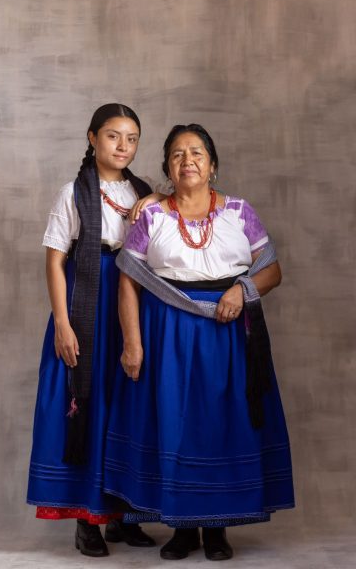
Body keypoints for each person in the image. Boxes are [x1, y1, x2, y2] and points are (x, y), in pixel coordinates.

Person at [103, 124, 295, 561]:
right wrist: (132, 343)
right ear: (167, 168)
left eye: (196, 153)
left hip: (228, 337)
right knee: (176, 426)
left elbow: (272, 270)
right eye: (177, 154)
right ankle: (183, 529)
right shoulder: (151, 216)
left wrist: (242, 290)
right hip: (167, 334)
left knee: (221, 427)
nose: (187, 160)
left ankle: (218, 529)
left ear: (212, 164)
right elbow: (128, 281)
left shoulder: (240, 212)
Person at [27, 103, 163, 557]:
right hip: (86, 302)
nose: (123, 146)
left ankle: (123, 517)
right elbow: (54, 262)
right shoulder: (73, 192)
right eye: (113, 136)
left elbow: (172, 219)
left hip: (132, 301)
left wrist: (155, 201)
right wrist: (63, 324)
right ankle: (87, 519)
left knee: (128, 403)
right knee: (90, 401)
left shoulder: (143, 190)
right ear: (92, 138)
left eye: (132, 139)